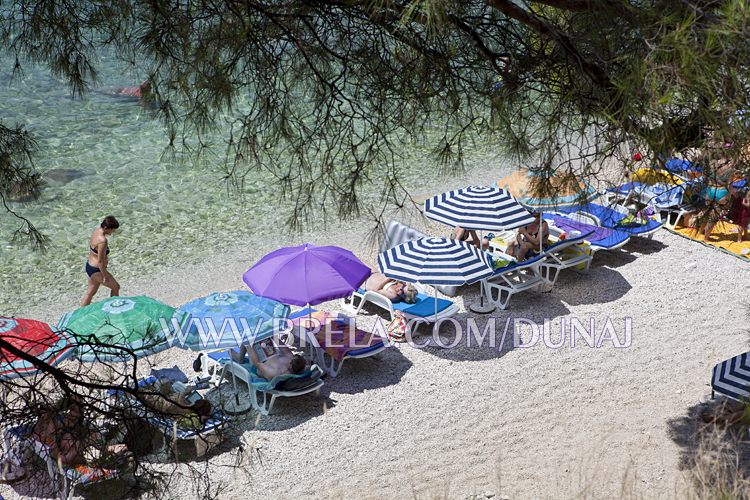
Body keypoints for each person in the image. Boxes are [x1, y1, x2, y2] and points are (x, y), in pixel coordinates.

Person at [32, 397, 129, 468]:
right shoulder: (73, 441)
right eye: (73, 410)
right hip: (81, 446)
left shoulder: (66, 431)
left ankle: (112, 451)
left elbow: (62, 458)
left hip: (78, 443)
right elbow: (63, 459)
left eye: (75, 411)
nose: (72, 414)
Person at [82, 216, 120, 306]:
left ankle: (80, 314)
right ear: (106, 228)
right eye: (112, 230)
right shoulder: (103, 240)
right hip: (97, 270)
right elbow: (100, 261)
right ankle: (114, 310)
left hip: (90, 266)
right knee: (116, 287)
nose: (112, 232)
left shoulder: (96, 231)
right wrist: (105, 276)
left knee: (90, 293)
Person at [231, 343, 306, 380]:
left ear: (290, 365)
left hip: (260, 361)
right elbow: (280, 344)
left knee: (248, 340)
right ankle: (240, 357)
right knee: (262, 336)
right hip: (271, 352)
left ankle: (239, 358)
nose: (291, 357)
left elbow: (257, 363)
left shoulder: (276, 373)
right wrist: (272, 334)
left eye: (292, 359)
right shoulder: (292, 359)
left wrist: (249, 345)